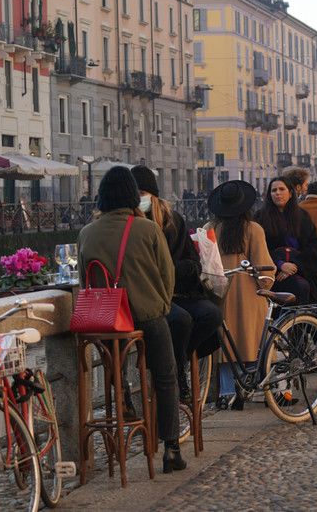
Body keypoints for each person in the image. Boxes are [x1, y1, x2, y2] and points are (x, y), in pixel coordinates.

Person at [76, 166, 186, 473]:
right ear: (130, 196)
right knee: (165, 377)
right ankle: (171, 449)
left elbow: (84, 279)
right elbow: (167, 274)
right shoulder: (147, 229)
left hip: (106, 323)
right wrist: (160, 305)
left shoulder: (86, 233)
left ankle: (120, 389)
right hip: (146, 317)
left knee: (117, 362)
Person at [131, 165, 223, 399]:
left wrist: (174, 269)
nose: (141, 198)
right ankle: (174, 371)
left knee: (212, 315)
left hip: (180, 290)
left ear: (153, 194)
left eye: (144, 193)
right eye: (137, 193)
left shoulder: (173, 220)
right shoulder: (131, 224)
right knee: (180, 320)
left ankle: (175, 359)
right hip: (151, 297)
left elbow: (192, 262)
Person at [206, 180, 276, 409]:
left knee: (226, 347)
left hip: (220, 293)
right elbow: (263, 265)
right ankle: (256, 387)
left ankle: (227, 391)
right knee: (253, 341)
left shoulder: (210, 229)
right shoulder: (253, 229)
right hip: (249, 294)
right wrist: (267, 285)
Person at [254, 178, 317, 305]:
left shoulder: (302, 216)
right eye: (274, 190)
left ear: (290, 193)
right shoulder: (260, 217)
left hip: (300, 270)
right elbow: (258, 248)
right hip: (270, 272)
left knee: (305, 289)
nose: (277, 193)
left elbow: (313, 247)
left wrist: (294, 266)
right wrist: (280, 264)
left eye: (282, 189)